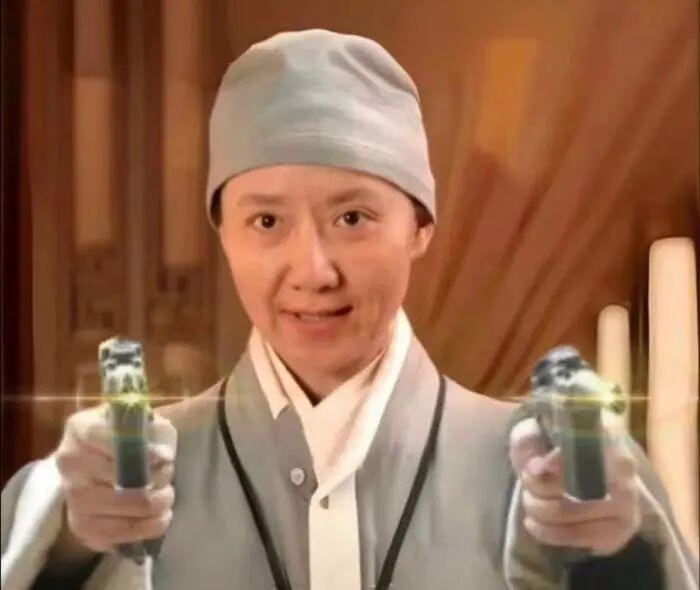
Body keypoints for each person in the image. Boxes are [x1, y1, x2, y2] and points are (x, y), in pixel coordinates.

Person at [1, 29, 697, 590]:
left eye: (353, 218)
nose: (313, 271)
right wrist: (65, 543)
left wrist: (620, 558)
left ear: (420, 226)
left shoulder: (553, 477)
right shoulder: (114, 488)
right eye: (266, 222)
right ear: (223, 234)